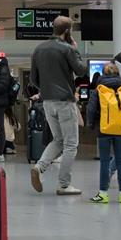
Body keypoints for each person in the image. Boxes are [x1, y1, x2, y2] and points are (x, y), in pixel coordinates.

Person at [28, 15, 87, 196]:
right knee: (71, 144)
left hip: (47, 102)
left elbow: (33, 80)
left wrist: (46, 90)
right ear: (68, 31)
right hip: (65, 102)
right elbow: (81, 71)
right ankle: (64, 184)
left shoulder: (39, 49)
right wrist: (76, 51)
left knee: (58, 139)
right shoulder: (67, 49)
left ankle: (39, 167)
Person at [86, 64, 121, 203]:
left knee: (105, 162)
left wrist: (91, 124)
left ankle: (103, 194)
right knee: (120, 161)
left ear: (103, 74)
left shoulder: (99, 89)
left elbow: (91, 109)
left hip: (104, 128)